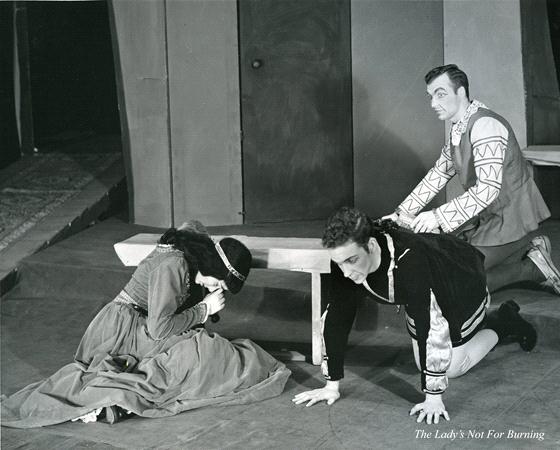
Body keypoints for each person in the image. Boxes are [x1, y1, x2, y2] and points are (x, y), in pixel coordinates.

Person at [1, 221, 290, 428]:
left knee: (204, 354)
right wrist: (203, 309)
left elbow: (193, 226)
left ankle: (118, 405)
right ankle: (114, 402)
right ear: (210, 265)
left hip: (140, 325)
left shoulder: (192, 249)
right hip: (122, 331)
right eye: (216, 281)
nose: (216, 288)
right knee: (203, 353)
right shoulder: (174, 266)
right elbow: (159, 329)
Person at [293, 207, 536, 424]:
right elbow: (337, 316)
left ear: (372, 246)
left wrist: (433, 398)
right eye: (339, 263)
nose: (345, 272)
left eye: (351, 260)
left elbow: (431, 325)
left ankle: (503, 322)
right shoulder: (344, 262)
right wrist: (331, 385)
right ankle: (488, 327)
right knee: (425, 364)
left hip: (458, 286)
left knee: (450, 368)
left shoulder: (409, 263)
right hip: (426, 292)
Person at [385, 64, 559, 295]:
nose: (433, 103)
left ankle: (532, 268)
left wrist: (437, 216)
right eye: (430, 96)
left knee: (455, 283)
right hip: (488, 218)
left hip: (513, 220)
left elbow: (487, 190)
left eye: (440, 94)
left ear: (461, 92)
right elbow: (439, 173)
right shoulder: (460, 127)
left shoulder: (486, 126)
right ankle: (524, 255)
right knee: (443, 270)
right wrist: (401, 214)